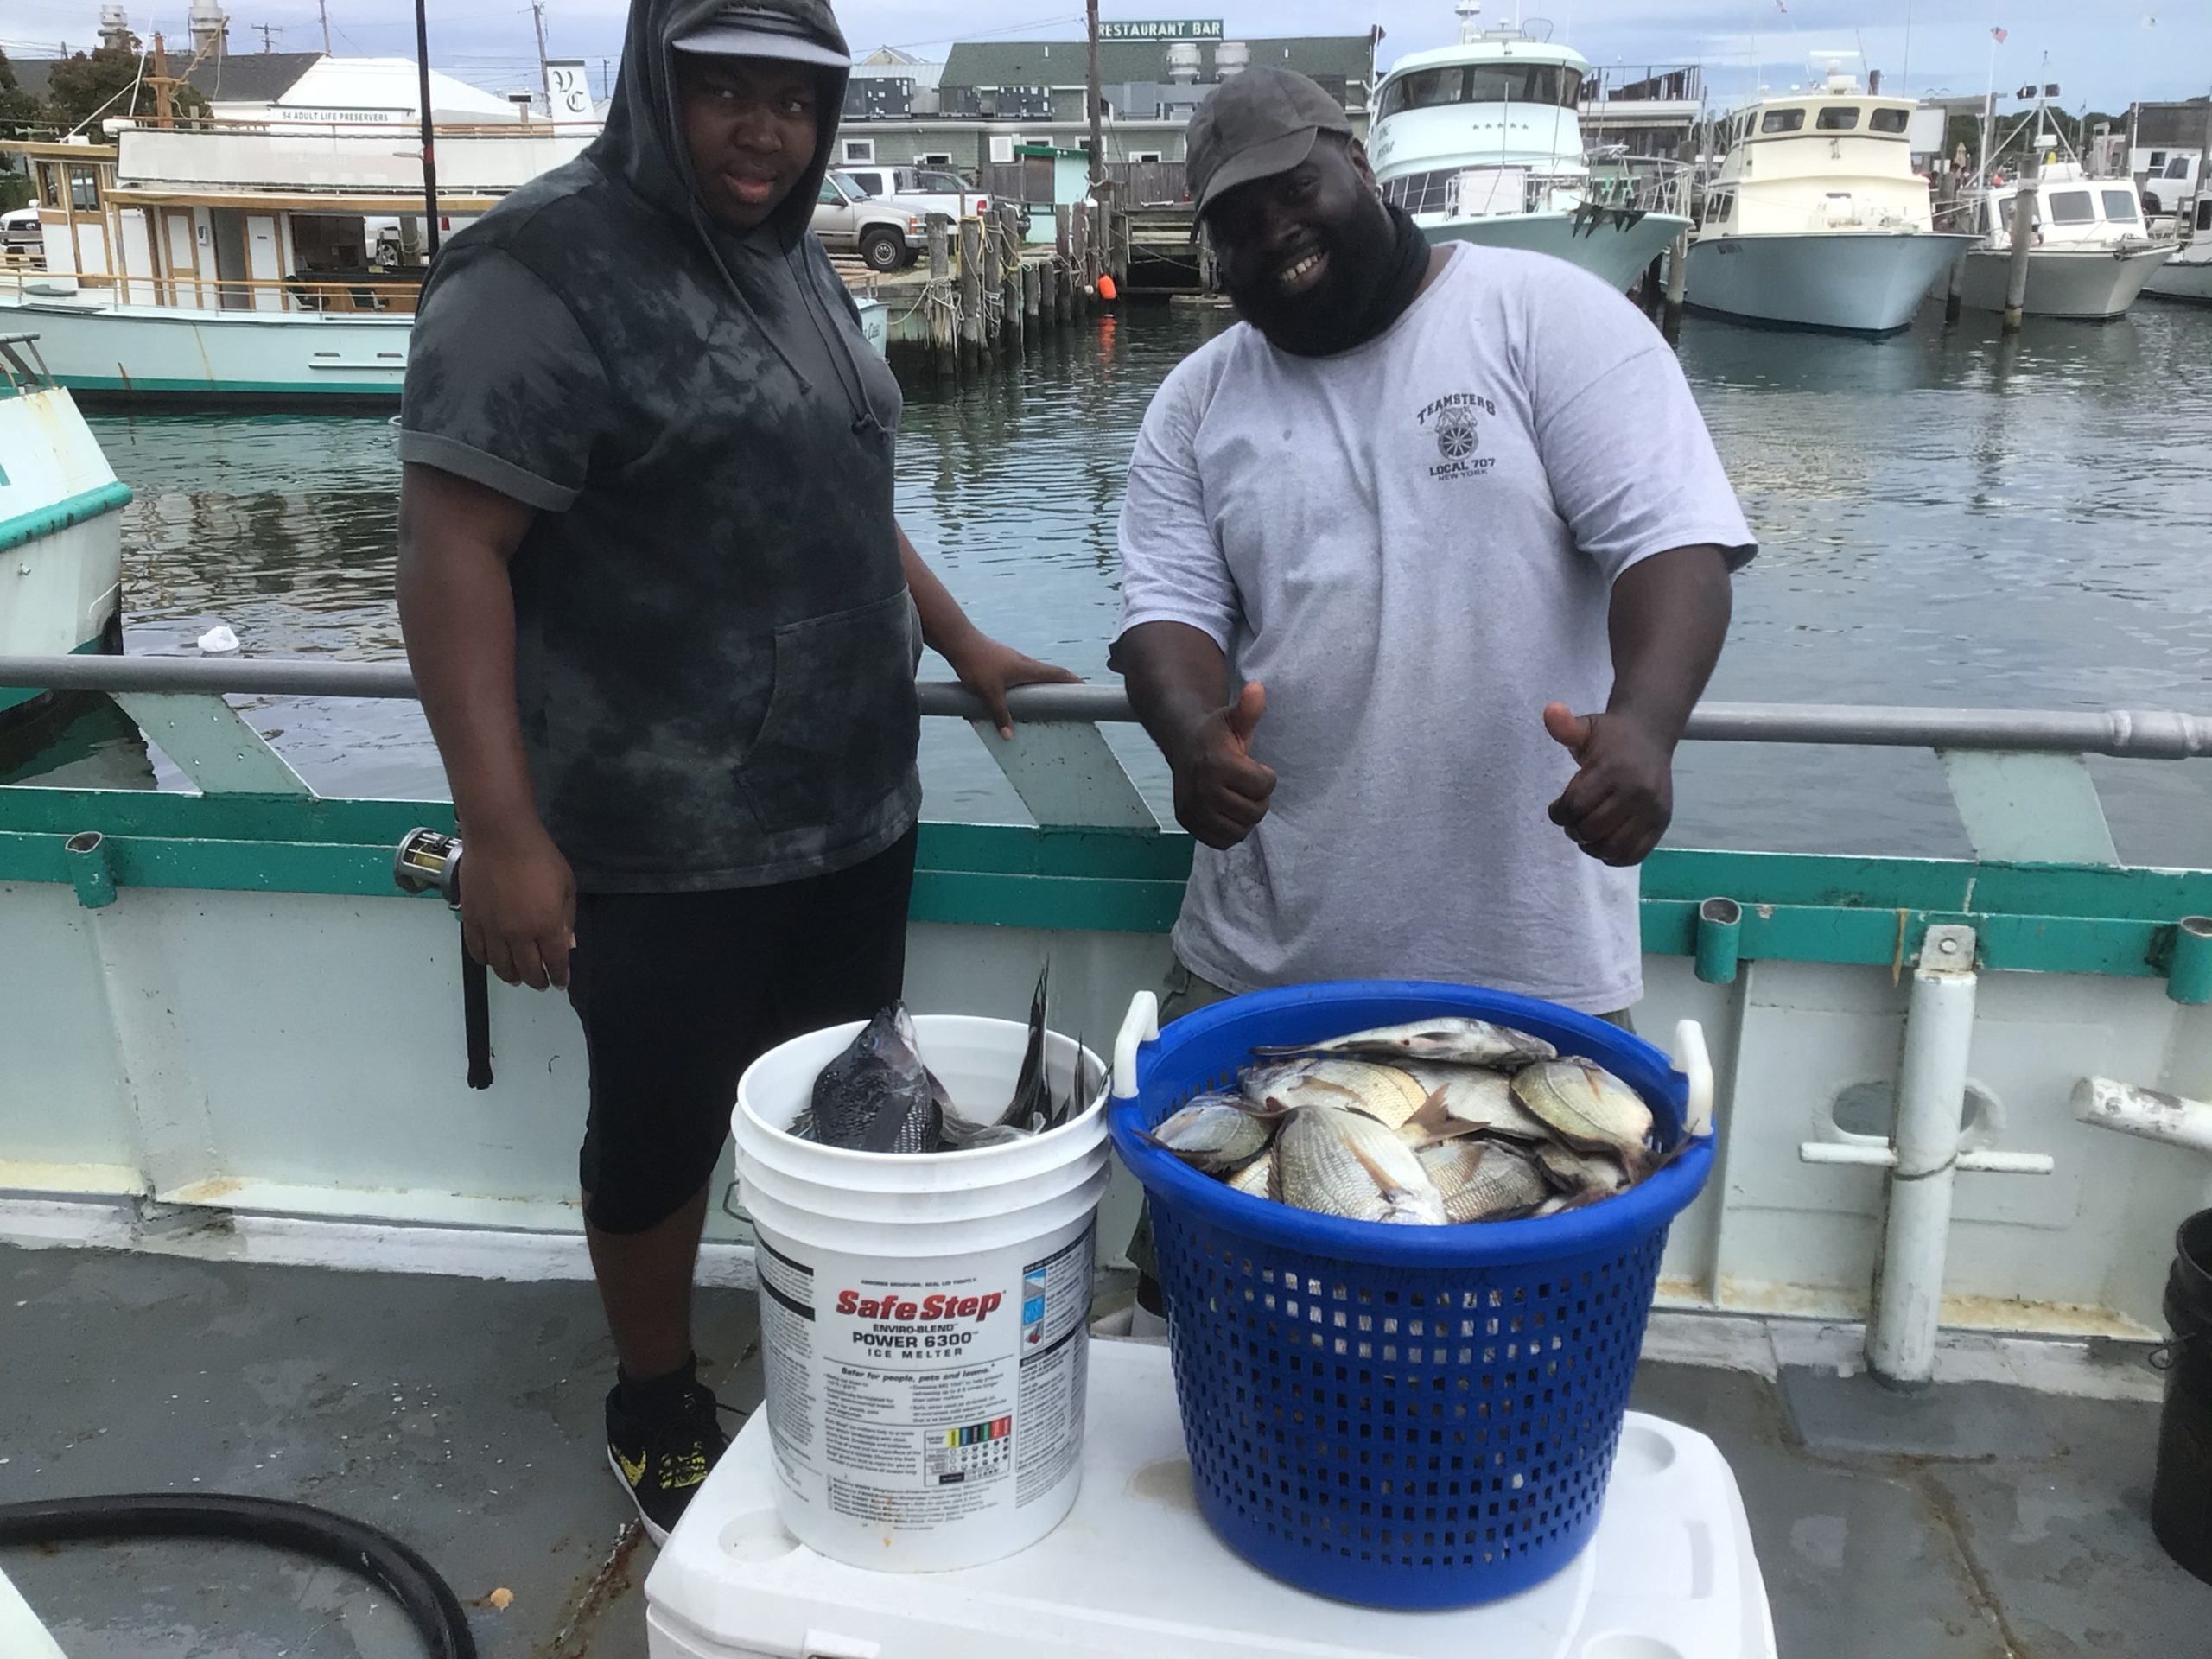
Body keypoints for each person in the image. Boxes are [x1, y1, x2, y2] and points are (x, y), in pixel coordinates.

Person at [394, 0, 1072, 1541]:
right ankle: (652, 1398)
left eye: (792, 101)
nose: (762, 133)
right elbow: (451, 555)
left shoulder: (787, 257)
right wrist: (501, 831)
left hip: (849, 801)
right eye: (723, 97)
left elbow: (834, 475)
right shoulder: (536, 269)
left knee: (841, 1106)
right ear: (653, 84)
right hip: (656, 833)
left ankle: (825, 1363)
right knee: (660, 1128)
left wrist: (959, 637)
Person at [1112, 68, 1755, 1319]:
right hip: (1264, 957)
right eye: (1232, 221)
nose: (1271, 233)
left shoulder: (1544, 317)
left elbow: (1671, 544)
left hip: (1531, 957)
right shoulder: (1197, 401)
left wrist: (1646, 725)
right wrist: (1194, 736)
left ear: (1356, 161)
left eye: (1293, 190)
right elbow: (1165, 617)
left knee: (1518, 1313)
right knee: (1203, 1298)